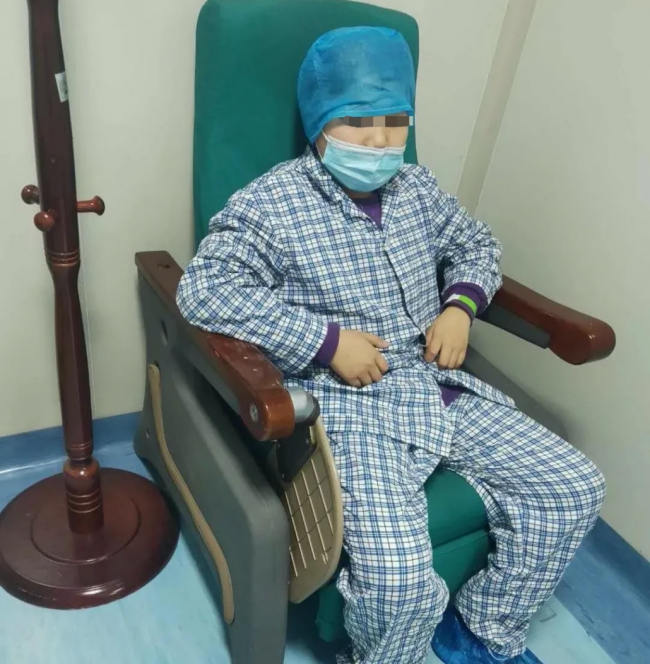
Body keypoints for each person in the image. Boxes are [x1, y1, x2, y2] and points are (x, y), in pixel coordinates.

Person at [176, 26, 606, 664]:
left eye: (394, 120)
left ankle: (482, 627)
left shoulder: (417, 189)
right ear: (319, 122)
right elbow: (205, 290)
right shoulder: (272, 204)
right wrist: (326, 342)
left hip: (434, 381)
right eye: (356, 121)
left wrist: (460, 307)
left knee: (574, 486)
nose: (379, 140)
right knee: (399, 582)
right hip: (348, 406)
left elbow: (476, 244)